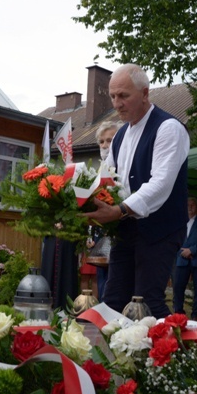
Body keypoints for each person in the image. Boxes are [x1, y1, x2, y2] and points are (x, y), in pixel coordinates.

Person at [83, 63, 190, 318]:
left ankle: (173, 354)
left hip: (159, 229)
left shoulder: (169, 128)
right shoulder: (120, 136)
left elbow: (160, 184)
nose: (117, 103)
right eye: (112, 96)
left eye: (123, 96)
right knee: (113, 299)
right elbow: (106, 180)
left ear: (144, 93)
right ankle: (115, 356)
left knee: (147, 302)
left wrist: (119, 210)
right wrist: (77, 204)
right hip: (126, 228)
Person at [85, 121, 121, 301]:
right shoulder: (96, 172)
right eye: (102, 142)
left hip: (120, 233)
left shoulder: (123, 169)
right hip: (100, 236)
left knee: (116, 284)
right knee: (102, 282)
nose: (105, 146)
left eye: (110, 140)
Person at [172, 197, 197, 320]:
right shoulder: (178, 221)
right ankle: (178, 313)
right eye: (187, 205)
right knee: (178, 287)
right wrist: (182, 251)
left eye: (193, 205)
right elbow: (173, 239)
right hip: (180, 259)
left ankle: (196, 314)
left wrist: (192, 250)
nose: (190, 207)